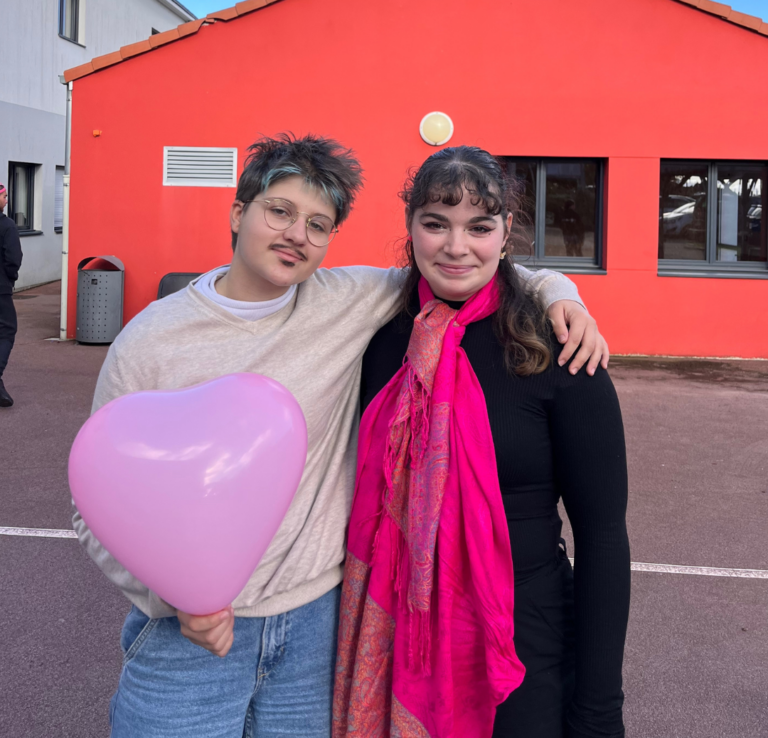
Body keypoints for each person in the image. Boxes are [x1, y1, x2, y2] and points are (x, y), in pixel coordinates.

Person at [72, 135, 608, 737]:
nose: (296, 234)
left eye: (318, 224)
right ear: (237, 212)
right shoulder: (150, 342)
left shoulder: (346, 302)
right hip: (189, 635)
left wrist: (559, 290)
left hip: (315, 630)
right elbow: (95, 495)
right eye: (279, 211)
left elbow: (473, 266)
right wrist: (174, 598)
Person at [334, 146, 630, 738]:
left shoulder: (560, 350)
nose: (456, 246)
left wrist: (599, 712)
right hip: (390, 632)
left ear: (507, 231)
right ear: (410, 225)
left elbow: (601, 538)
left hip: (521, 644)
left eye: (479, 227)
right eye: (435, 223)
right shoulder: (379, 338)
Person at [0, 183, 23, 407]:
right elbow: (13, 258)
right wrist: (11, 278)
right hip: (1, 290)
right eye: (5, 196)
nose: (7, 200)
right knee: (7, 330)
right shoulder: (7, 226)